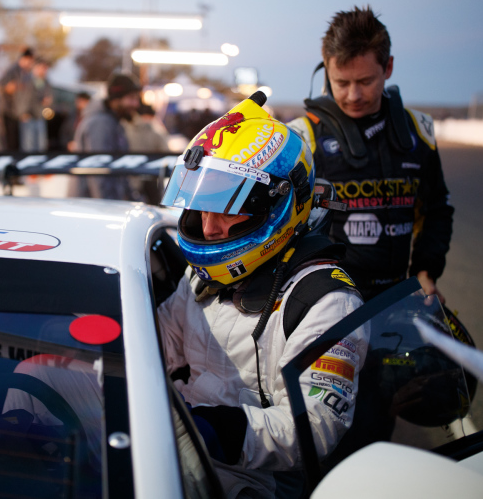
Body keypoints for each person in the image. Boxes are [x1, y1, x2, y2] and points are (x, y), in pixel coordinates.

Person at [158, 92, 368, 498]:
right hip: (178, 440)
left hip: (251, 478)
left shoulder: (328, 300)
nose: (210, 227)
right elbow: (154, 343)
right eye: (202, 206)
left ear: (276, 205)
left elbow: (316, 426)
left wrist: (214, 430)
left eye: (227, 206)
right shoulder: (201, 277)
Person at [288, 6, 454, 302]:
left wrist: (426, 272)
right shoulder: (301, 138)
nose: (354, 95)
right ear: (327, 67)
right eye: (342, 82)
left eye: (365, 82)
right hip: (324, 301)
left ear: (388, 67)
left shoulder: (418, 130)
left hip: (398, 295)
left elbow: (437, 209)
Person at [67, 72, 140, 200]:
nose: (136, 104)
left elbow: (120, 171)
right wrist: (110, 209)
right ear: (116, 99)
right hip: (93, 210)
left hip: (98, 208)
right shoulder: (100, 124)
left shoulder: (113, 122)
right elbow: (99, 174)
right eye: (131, 98)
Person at [0, 47, 35, 152]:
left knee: (19, 145)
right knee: (11, 144)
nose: (30, 64)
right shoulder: (13, 70)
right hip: (10, 113)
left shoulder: (26, 74)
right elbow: (2, 86)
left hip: (19, 115)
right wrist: (12, 87)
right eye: (30, 61)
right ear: (25, 58)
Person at [16, 57, 52, 153]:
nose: (44, 70)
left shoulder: (46, 82)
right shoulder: (26, 80)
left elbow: (50, 97)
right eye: (42, 67)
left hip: (39, 116)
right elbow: (20, 97)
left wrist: (47, 101)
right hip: (27, 117)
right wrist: (22, 113)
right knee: (28, 146)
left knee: (41, 145)